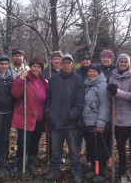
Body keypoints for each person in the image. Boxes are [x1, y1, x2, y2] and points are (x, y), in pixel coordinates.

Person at [44, 54, 85, 183]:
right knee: (55, 150)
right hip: (55, 122)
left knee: (73, 151)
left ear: (72, 64)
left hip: (70, 123)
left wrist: (71, 116)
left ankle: (76, 172)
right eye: (64, 62)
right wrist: (48, 112)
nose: (66, 65)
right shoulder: (54, 79)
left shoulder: (78, 79)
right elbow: (48, 98)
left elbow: (80, 101)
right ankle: (53, 171)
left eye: (68, 62)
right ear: (60, 64)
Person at [10, 57, 48, 176]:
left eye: (39, 67)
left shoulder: (43, 81)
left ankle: (31, 164)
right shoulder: (24, 78)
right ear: (30, 67)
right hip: (25, 117)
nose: (36, 69)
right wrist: (21, 78)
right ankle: (18, 164)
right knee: (23, 142)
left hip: (40, 118)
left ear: (42, 69)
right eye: (34, 66)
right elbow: (15, 93)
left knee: (35, 142)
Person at [107, 53, 131, 183]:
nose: (123, 64)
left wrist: (117, 92)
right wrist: (110, 91)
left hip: (128, 119)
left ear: (129, 63)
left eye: (126, 62)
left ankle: (123, 172)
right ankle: (123, 169)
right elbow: (110, 97)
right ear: (118, 63)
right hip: (115, 117)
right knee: (118, 146)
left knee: (120, 144)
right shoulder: (113, 77)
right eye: (121, 62)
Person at [82, 63, 111, 182]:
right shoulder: (87, 84)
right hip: (87, 122)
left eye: (94, 71)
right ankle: (94, 170)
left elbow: (105, 105)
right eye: (90, 71)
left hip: (97, 123)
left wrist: (101, 123)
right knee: (91, 148)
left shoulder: (102, 86)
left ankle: (101, 172)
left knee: (100, 149)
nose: (92, 73)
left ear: (99, 73)